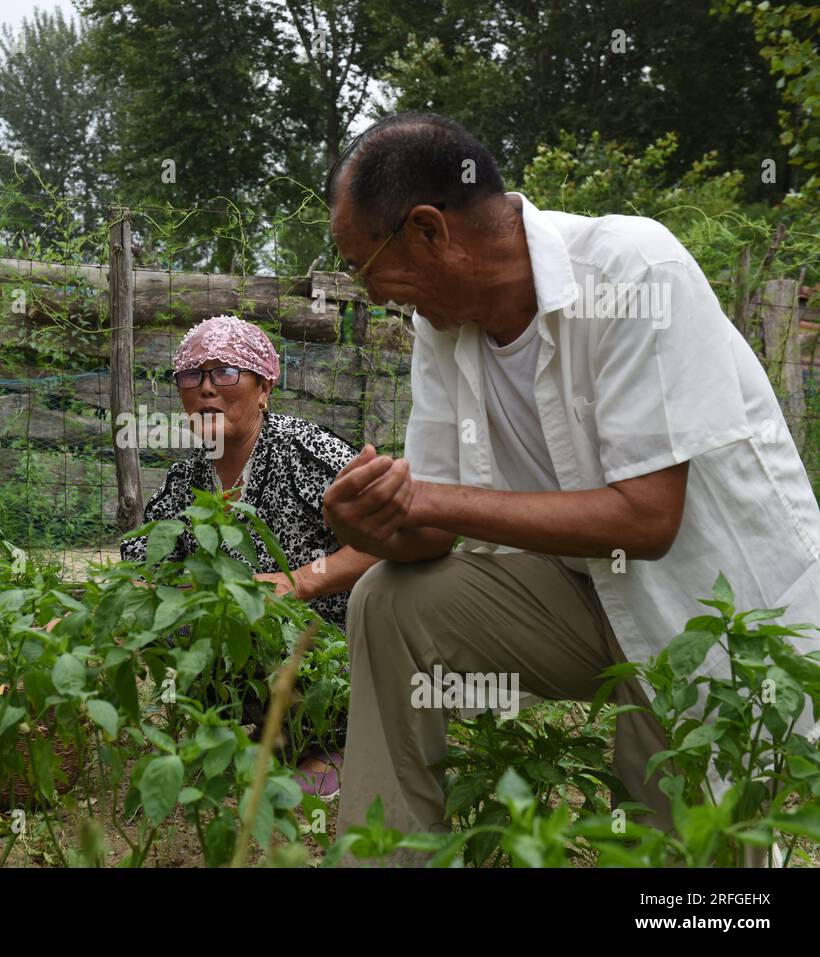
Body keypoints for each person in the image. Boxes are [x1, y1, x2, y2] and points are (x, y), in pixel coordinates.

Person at [321, 111, 820, 863]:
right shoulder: (444, 326)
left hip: (710, 618)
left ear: (429, 230)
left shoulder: (632, 270)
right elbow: (434, 529)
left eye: (367, 268)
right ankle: (387, 858)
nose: (376, 296)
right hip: (586, 597)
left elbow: (649, 519)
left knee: (688, 866)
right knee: (390, 603)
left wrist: (424, 498)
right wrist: (375, 521)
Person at [121, 315, 380, 794]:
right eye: (191, 375)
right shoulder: (187, 481)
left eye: (224, 372)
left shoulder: (306, 452)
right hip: (245, 661)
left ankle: (328, 744)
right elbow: (142, 569)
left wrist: (296, 581)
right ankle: (243, 738)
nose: (205, 389)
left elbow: (386, 541)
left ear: (263, 387)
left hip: (329, 648)